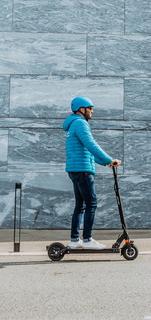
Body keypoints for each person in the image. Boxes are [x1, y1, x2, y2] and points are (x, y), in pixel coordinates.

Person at [62, 96, 121, 249]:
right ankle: (87, 239)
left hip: (76, 170)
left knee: (80, 205)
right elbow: (91, 145)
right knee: (91, 203)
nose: (92, 111)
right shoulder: (80, 124)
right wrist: (109, 159)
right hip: (82, 171)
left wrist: (105, 162)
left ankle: (74, 241)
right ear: (81, 109)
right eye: (90, 108)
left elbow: (87, 151)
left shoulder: (74, 124)